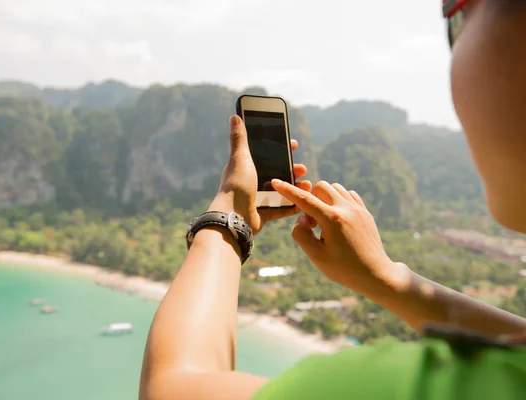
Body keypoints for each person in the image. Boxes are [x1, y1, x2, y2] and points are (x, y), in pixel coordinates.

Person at [139, 1, 526, 399]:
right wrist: (386, 276)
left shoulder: (404, 388)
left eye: (456, 13)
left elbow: (170, 388)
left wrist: (227, 216)